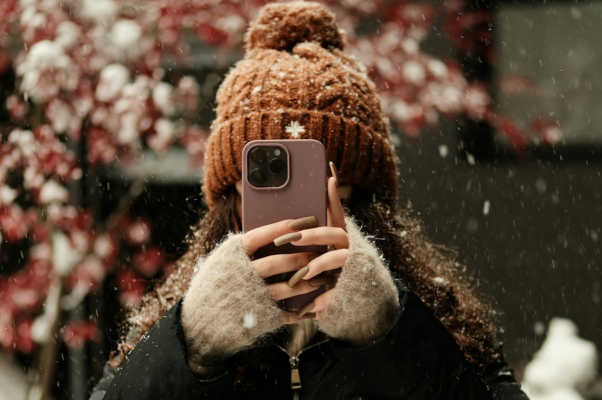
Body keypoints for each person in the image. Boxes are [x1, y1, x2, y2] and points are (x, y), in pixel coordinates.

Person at [91, 2, 529, 399]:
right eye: (264, 179)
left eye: (324, 184)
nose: (296, 212)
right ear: (231, 193)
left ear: (361, 194)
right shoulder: (178, 323)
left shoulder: (437, 317)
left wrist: (384, 333)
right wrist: (195, 343)